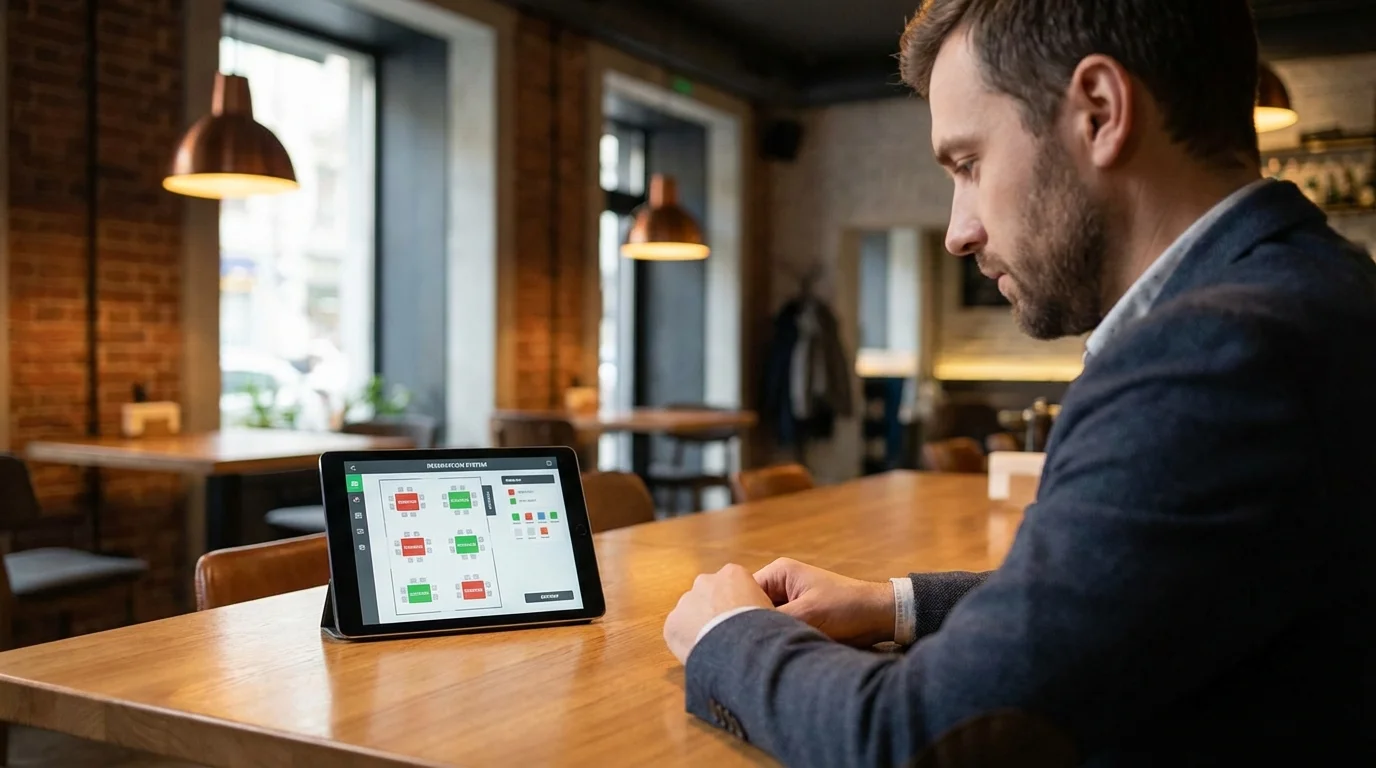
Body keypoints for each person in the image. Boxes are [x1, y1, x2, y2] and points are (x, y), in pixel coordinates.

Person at [662, 1, 1376, 765]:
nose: (957, 230)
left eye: (968, 165)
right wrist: (892, 605)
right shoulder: (1330, 289)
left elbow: (922, 740)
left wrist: (730, 635)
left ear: (1099, 111)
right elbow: (1141, 598)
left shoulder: (1209, 356)